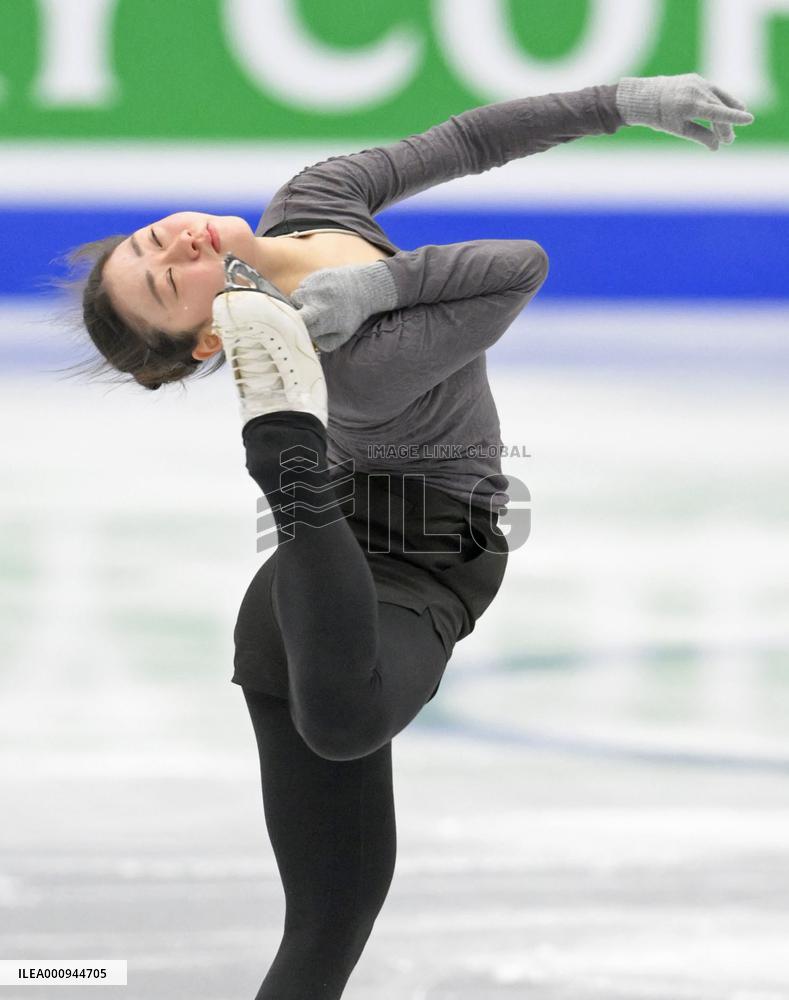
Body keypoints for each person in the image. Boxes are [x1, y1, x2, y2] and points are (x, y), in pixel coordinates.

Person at [67, 73, 752, 999]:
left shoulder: (311, 202)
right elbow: (518, 263)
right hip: (411, 561)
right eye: (167, 278)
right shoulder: (362, 367)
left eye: (156, 236)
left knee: (333, 917)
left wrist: (624, 101)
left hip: (311, 591)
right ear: (204, 345)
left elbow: (468, 139)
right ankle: (282, 450)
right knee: (345, 731)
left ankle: (288, 459)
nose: (179, 243)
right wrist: (374, 290)